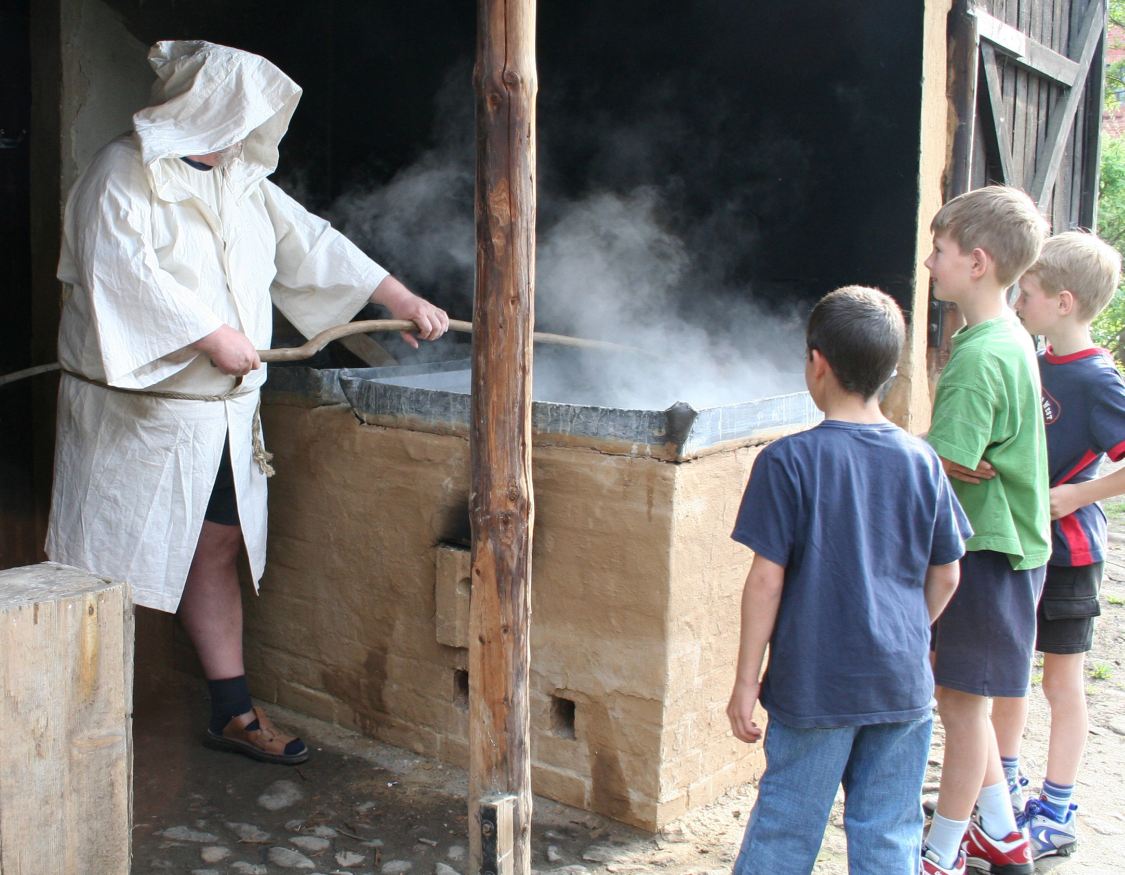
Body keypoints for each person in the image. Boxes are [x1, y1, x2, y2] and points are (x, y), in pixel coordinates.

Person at [46, 40, 449, 765]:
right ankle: (76, 723)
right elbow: (120, 275)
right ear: (206, 106)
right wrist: (208, 335)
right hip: (139, 419)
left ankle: (231, 712)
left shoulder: (241, 178)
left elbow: (312, 246)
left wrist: (398, 296)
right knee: (111, 561)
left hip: (223, 417)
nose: (250, 128)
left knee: (215, 547)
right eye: (242, 111)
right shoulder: (120, 175)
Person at [726, 286, 969, 875]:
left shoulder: (787, 462)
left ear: (817, 363)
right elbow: (948, 574)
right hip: (899, 683)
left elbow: (765, 582)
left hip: (815, 685)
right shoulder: (921, 461)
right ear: (891, 370)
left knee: (786, 826)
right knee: (889, 831)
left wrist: (745, 681)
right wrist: (906, 632)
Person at [920, 185, 1051, 875]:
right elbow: (965, 457)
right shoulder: (1007, 334)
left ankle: (939, 854)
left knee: (961, 709)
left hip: (986, 551)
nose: (927, 262)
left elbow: (948, 462)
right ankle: (1001, 838)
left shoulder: (976, 357)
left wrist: (912, 450)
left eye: (938, 251)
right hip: (1015, 546)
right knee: (963, 700)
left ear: (975, 261)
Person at [986, 231, 1125, 860]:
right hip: (1020, 549)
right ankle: (1004, 796)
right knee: (1010, 676)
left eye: (1030, 292)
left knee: (1061, 683)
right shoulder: (1030, 360)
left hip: (1069, 557)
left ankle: (1058, 808)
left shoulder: (1099, 380)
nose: (1019, 301)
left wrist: (1079, 495)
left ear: (1064, 302)